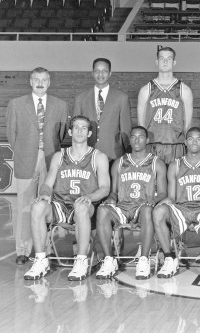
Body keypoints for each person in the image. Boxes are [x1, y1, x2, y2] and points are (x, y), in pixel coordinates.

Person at [24, 116, 110, 281]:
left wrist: (89, 197)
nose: (79, 130)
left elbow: (105, 188)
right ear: (70, 132)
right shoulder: (59, 156)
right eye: (76, 127)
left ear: (89, 132)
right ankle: (41, 260)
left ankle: (81, 260)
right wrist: (44, 194)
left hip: (86, 207)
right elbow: (48, 183)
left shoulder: (98, 157)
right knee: (37, 207)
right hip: (61, 205)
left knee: (81, 207)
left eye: (83, 128)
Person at [7, 67, 68, 265]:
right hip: (26, 159)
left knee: (46, 204)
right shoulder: (16, 104)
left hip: (50, 159)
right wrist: (26, 151)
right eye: (36, 79)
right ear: (30, 81)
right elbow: (11, 134)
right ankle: (23, 250)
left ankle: (46, 249)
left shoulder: (60, 104)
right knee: (25, 206)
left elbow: (62, 133)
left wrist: (47, 151)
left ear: (49, 82)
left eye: (44, 80)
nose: (40, 83)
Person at [95, 126, 167, 280]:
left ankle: (144, 260)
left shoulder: (156, 163)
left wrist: (153, 200)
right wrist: (110, 199)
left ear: (147, 140)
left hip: (143, 207)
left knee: (148, 210)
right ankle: (109, 260)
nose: (136, 140)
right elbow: (113, 191)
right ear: (129, 140)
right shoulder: (119, 163)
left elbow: (163, 193)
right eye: (133, 137)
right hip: (123, 207)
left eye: (141, 137)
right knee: (102, 210)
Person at [152, 128, 200, 279]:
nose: (194, 142)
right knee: (158, 212)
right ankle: (170, 258)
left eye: (198, 139)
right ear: (185, 142)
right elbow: (172, 197)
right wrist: (165, 201)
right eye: (191, 139)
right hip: (181, 208)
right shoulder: (175, 165)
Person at [137, 46, 193, 165]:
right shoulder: (145, 90)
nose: (165, 62)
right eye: (162, 59)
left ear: (174, 62)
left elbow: (187, 126)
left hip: (176, 146)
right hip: (152, 146)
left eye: (169, 59)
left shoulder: (184, 90)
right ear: (157, 62)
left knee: (176, 182)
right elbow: (141, 126)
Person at [73, 58, 132, 163]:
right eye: (97, 71)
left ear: (110, 73)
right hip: (85, 154)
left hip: (113, 155)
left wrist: (126, 155)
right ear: (92, 73)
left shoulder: (122, 98)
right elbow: (75, 129)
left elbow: (125, 130)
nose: (100, 74)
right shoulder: (80, 98)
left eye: (104, 71)